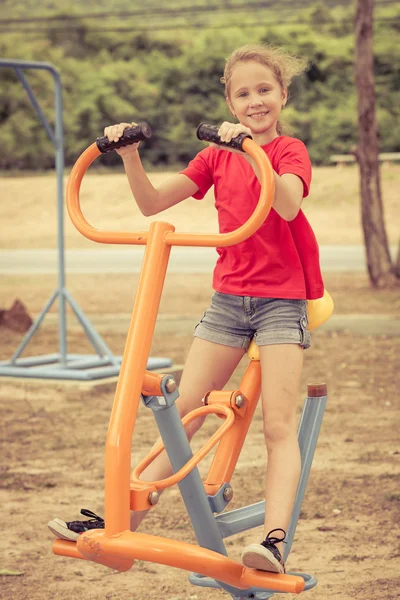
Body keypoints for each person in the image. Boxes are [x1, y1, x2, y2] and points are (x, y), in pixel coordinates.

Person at [48, 43, 324, 575]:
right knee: (182, 415)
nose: (255, 101)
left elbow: (286, 202)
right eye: (243, 94)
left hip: (282, 301)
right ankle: (116, 520)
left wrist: (250, 148)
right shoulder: (215, 156)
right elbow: (152, 204)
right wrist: (128, 156)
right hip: (229, 298)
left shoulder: (289, 150)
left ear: (283, 96)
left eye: (265, 90)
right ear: (230, 101)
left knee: (277, 427)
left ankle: (271, 542)